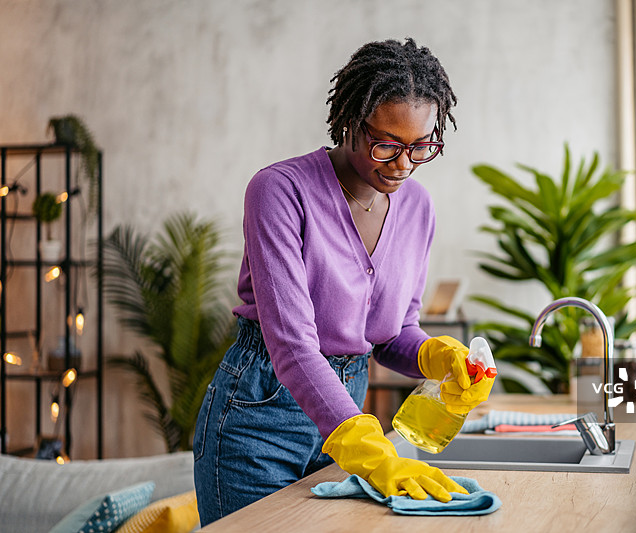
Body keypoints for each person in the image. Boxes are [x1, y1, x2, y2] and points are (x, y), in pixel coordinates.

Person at [193, 38, 495, 525]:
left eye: (421, 147)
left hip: (346, 418)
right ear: (351, 123)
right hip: (258, 420)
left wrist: (438, 357)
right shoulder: (279, 191)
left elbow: (393, 333)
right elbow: (292, 345)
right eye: (386, 145)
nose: (403, 164)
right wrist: (370, 450)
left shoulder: (417, 207)